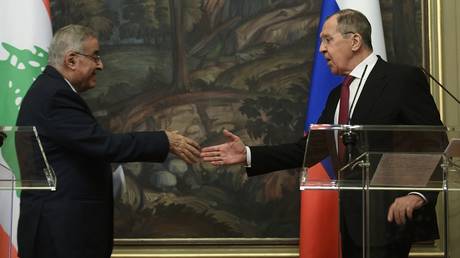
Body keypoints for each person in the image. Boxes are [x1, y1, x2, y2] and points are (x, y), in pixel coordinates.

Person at [201, 9, 444, 258]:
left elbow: (433, 143)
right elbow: (308, 150)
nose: (321, 50)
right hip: (353, 223)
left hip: (392, 215)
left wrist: (418, 194)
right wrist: (248, 155)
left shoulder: (401, 79)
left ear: (355, 41)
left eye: (328, 39)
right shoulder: (337, 95)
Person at [16, 24, 201, 258]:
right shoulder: (55, 96)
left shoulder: (49, 90)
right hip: (61, 236)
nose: (101, 65)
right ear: (72, 60)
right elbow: (104, 145)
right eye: (95, 56)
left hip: (60, 231)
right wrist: (164, 140)